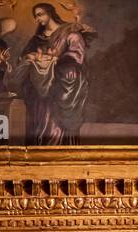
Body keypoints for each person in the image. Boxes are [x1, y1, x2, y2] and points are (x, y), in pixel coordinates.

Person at [15, 3, 93, 145]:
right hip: (40, 85)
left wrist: (55, 60)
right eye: (35, 16)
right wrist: (32, 59)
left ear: (49, 13)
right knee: (40, 121)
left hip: (62, 83)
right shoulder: (36, 39)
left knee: (56, 122)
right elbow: (23, 57)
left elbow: (77, 54)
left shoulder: (69, 32)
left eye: (40, 14)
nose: (37, 19)